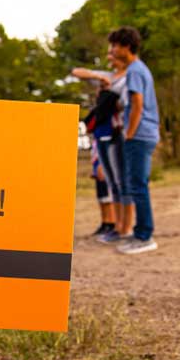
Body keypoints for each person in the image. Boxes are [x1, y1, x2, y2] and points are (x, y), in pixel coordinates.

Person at [72, 46, 134, 242]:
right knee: (104, 180)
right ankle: (111, 224)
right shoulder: (107, 76)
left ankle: (122, 225)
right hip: (100, 136)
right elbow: (76, 71)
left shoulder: (130, 79)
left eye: (113, 55)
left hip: (115, 134)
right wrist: (100, 80)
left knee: (117, 181)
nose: (110, 58)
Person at [109, 26, 159, 254]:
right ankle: (141, 232)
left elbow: (137, 103)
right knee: (138, 185)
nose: (112, 50)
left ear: (127, 46)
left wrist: (129, 133)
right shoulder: (139, 69)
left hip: (139, 135)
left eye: (115, 45)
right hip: (144, 133)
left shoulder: (135, 71)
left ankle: (144, 236)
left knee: (138, 186)